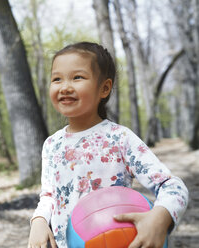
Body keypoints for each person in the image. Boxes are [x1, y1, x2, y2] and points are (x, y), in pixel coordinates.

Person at [27, 41, 189, 248]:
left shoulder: (119, 138)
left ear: (104, 88)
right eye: (57, 79)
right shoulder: (51, 144)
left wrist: (160, 217)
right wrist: (39, 220)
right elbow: (49, 195)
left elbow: (172, 186)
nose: (65, 87)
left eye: (77, 77)